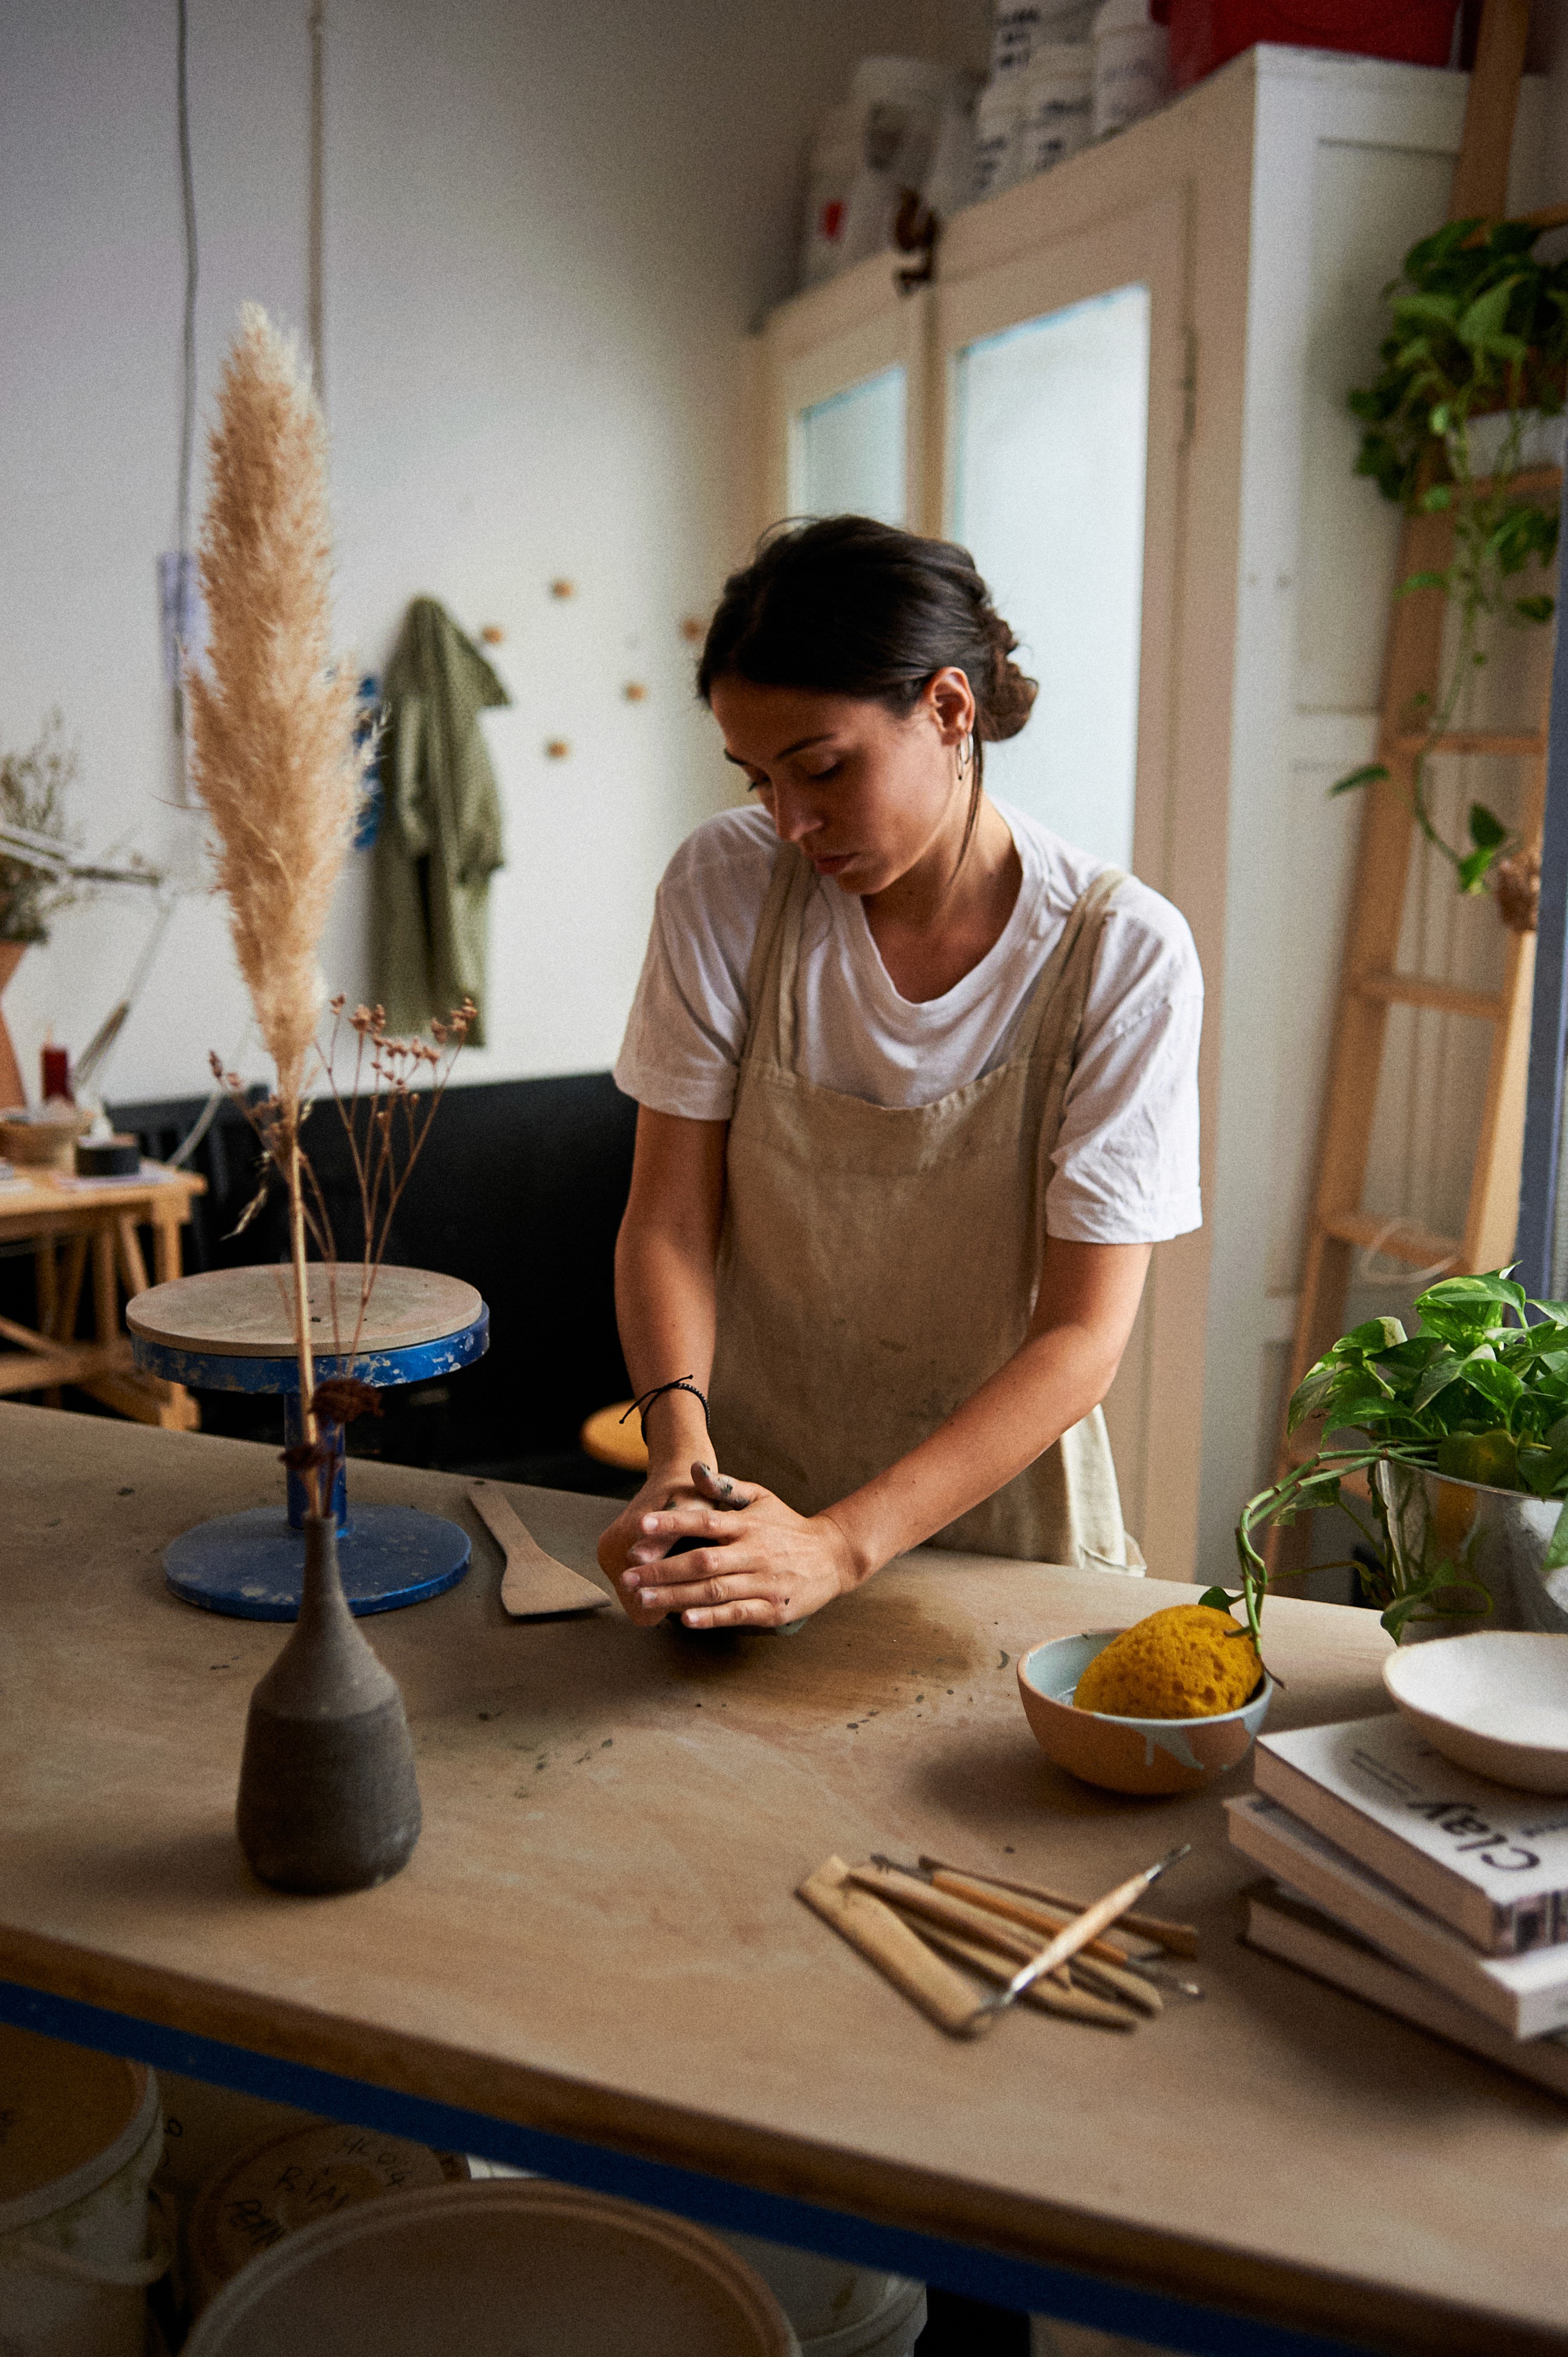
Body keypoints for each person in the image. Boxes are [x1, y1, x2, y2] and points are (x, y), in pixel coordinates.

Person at [599, 516, 1201, 1630]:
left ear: (950, 709)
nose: (790, 821)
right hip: (754, 1503)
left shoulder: (1122, 954)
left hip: (1006, 1542)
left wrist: (841, 1544)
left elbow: (1081, 1338)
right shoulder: (724, 887)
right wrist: (680, 1452)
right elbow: (669, 1222)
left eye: (822, 769)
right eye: (758, 780)